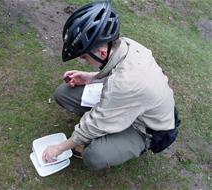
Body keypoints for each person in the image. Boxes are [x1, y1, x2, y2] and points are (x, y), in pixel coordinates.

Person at [42, 1, 178, 170]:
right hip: (134, 99)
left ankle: (130, 140)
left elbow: (97, 121)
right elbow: (118, 73)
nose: (82, 60)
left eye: (84, 57)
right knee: (63, 94)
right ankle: (114, 128)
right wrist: (91, 77)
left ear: (102, 52)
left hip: (149, 126)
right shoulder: (126, 44)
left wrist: (59, 148)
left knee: (94, 156)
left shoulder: (124, 84)